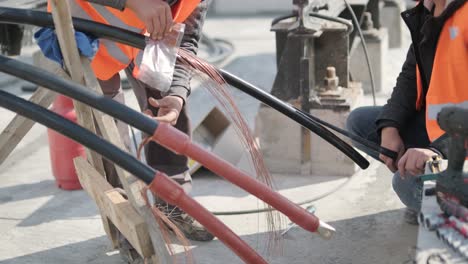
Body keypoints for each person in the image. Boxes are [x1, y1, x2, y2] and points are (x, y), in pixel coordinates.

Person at [63, 0, 213, 241]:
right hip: (88, 29)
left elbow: (186, 41)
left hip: (148, 33)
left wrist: (177, 94)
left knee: (164, 105)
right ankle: (123, 213)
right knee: (107, 121)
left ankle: (171, 203)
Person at [346, 0, 468, 224]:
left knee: (409, 185)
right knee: (361, 124)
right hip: (448, 133)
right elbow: (411, 74)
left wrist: (436, 152)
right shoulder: (429, 8)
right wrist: (390, 127)